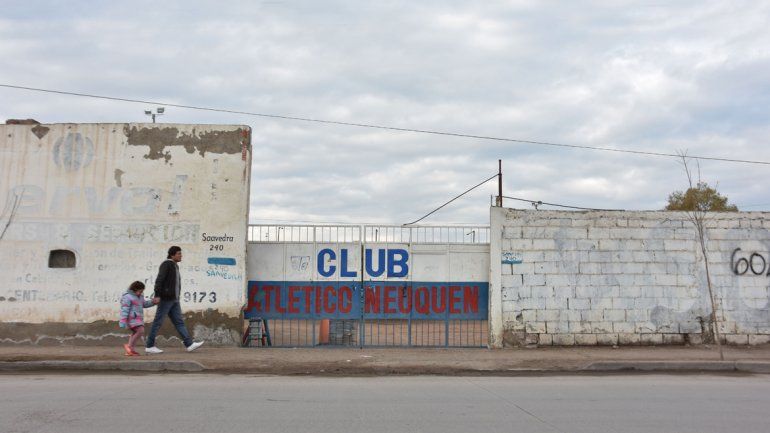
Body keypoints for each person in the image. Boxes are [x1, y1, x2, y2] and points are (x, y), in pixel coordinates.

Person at [145, 246, 204, 354]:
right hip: (166, 299)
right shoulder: (166, 264)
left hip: (174, 300)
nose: (181, 256)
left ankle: (189, 344)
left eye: (181, 254)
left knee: (179, 322)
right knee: (158, 322)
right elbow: (159, 280)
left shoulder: (174, 265)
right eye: (179, 254)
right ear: (172, 255)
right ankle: (149, 346)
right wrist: (157, 295)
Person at [118, 281, 158, 356]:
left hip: (138, 319)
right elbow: (124, 309)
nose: (141, 293)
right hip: (131, 319)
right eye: (140, 291)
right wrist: (123, 321)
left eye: (142, 291)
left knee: (136, 332)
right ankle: (129, 346)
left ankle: (130, 350)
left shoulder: (140, 297)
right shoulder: (127, 297)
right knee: (140, 330)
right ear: (134, 289)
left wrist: (153, 302)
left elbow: (144, 304)